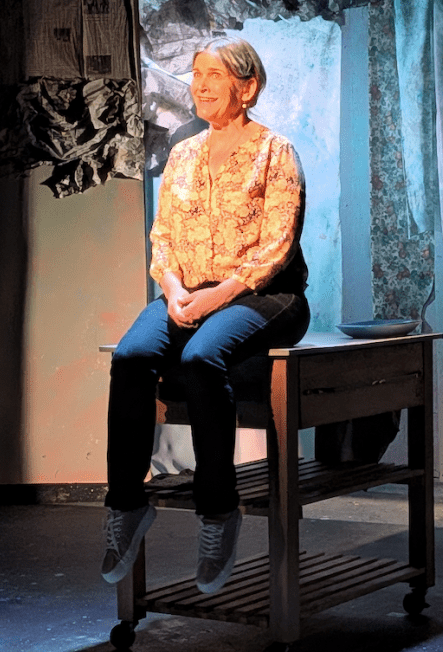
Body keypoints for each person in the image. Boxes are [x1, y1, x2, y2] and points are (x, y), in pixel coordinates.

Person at [101, 36, 310, 594]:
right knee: (131, 356)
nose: (199, 85)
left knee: (200, 357)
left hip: (267, 296)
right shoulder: (183, 154)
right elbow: (164, 236)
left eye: (213, 75)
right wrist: (172, 292)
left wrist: (215, 299)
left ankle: (217, 512)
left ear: (248, 88)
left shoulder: (275, 152)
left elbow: (276, 248)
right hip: (186, 291)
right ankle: (125, 506)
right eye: (195, 74)